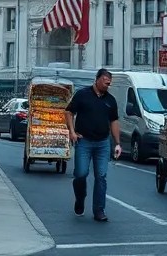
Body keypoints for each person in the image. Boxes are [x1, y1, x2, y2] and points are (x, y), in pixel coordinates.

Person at [65, 68, 121, 221]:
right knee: (81, 174)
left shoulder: (110, 100)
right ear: (97, 79)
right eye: (104, 81)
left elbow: (114, 121)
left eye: (109, 83)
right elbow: (69, 112)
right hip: (84, 141)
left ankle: (99, 210)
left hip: (103, 143)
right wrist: (72, 131)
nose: (106, 85)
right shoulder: (83, 94)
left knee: (101, 177)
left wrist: (117, 143)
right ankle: (80, 198)